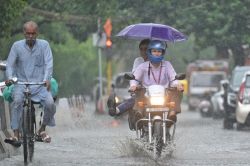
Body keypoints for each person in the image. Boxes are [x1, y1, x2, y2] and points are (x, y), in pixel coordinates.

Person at [4, 21, 56, 147]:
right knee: (17, 102)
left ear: (37, 33)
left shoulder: (44, 45)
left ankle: (42, 129)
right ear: (24, 33)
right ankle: (16, 134)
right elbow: (10, 65)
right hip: (21, 84)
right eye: (28, 33)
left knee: (50, 104)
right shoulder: (17, 46)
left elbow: (48, 64)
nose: (31, 36)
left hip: (40, 85)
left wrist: (47, 79)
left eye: (33, 34)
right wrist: (10, 78)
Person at [109, 40, 183, 128]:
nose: (156, 53)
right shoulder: (142, 66)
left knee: (176, 93)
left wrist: (177, 85)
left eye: (159, 51)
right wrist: (133, 85)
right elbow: (135, 78)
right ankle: (139, 115)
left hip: (164, 94)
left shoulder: (167, 65)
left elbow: (173, 77)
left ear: (163, 52)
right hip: (146, 93)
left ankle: (172, 115)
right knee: (138, 94)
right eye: (154, 51)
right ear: (150, 52)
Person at [107, 39, 150, 117]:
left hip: (157, 92)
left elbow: (168, 76)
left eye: (146, 49)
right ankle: (115, 110)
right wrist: (135, 85)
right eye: (141, 49)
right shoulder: (138, 61)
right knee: (133, 100)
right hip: (141, 90)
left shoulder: (161, 63)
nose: (144, 51)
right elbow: (135, 76)